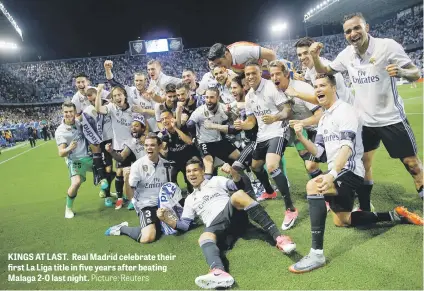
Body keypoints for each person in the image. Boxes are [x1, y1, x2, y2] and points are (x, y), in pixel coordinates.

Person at [289, 73, 423, 274]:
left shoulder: (346, 112)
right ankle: (395, 215)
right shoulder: (324, 118)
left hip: (350, 171)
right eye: (315, 86)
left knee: (313, 186)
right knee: (342, 220)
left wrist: (332, 174)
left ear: (333, 88)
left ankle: (316, 254)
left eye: (322, 85)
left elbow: (347, 147)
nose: (317, 89)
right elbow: (320, 153)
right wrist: (301, 137)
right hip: (338, 171)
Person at [310, 12, 423, 203]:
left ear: (366, 28)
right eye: (348, 31)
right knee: (363, 164)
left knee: (412, 164)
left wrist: (401, 72)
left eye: (356, 28)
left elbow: (415, 72)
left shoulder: (387, 46)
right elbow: (325, 71)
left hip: (391, 118)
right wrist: (315, 57)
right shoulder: (346, 54)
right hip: (364, 121)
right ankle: (364, 206)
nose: (353, 33)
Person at [157, 157, 296, 289]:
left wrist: (234, 174)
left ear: (202, 171)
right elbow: (184, 225)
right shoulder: (189, 200)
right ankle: (218, 271)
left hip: (231, 213)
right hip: (216, 226)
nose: (191, 174)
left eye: (195, 170)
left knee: (238, 195)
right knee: (204, 237)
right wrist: (167, 219)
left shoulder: (215, 180)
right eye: (188, 171)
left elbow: (238, 185)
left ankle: (280, 238)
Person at [235, 59, 298, 230]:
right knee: (255, 167)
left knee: (271, 166)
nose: (250, 77)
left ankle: (291, 209)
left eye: (253, 73)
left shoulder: (271, 87)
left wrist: (275, 118)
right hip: (262, 135)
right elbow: (251, 122)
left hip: (278, 130)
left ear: (260, 72)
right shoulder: (249, 96)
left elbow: (287, 110)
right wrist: (242, 125)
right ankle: (270, 191)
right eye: (247, 74)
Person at [104, 134, 172, 244]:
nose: (148, 148)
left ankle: (157, 224)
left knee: (178, 226)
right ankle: (121, 229)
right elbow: (130, 196)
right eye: (146, 145)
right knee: (148, 237)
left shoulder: (166, 164)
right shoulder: (137, 166)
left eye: (152, 145)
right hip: (145, 205)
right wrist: (126, 180)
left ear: (159, 147)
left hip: (162, 204)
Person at [95, 84, 134, 209]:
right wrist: (99, 92)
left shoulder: (132, 108)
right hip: (119, 146)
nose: (117, 97)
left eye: (119, 95)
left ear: (124, 96)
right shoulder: (111, 107)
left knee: (135, 172)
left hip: (133, 144)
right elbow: (99, 109)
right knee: (119, 172)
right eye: (115, 96)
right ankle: (119, 198)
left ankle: (135, 198)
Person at [54, 101, 92, 219]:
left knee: (107, 171)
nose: (68, 114)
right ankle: (68, 208)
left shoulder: (80, 123)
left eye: (70, 111)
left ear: (75, 112)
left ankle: (106, 194)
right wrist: (69, 148)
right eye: (66, 112)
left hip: (88, 157)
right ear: (62, 112)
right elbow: (61, 153)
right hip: (75, 160)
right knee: (76, 183)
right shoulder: (60, 131)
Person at [106, 115, 147, 209]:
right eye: (132, 126)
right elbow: (121, 158)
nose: (133, 128)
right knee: (127, 173)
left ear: (143, 128)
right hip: (142, 170)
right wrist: (111, 151)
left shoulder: (151, 138)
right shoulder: (131, 142)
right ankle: (132, 199)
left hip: (155, 167)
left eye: (136, 126)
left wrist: (146, 140)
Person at [159, 110, 200, 193]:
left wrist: (175, 128)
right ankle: (177, 197)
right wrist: (164, 147)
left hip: (188, 159)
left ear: (173, 118)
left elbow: (189, 141)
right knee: (170, 179)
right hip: (174, 162)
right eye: (162, 119)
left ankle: (193, 191)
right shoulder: (163, 135)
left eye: (166, 118)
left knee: (191, 179)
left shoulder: (182, 127)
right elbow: (163, 153)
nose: (164, 121)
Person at [207, 42, 277, 74]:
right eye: (217, 64)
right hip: (256, 69)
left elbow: (271, 54)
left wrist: (272, 75)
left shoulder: (241, 51)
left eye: (220, 63)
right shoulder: (227, 58)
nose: (220, 66)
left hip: (265, 67)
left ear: (226, 54)